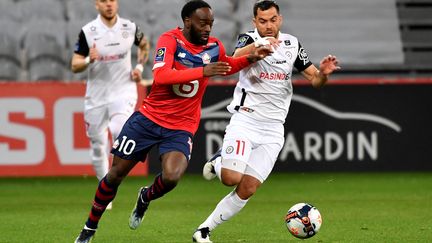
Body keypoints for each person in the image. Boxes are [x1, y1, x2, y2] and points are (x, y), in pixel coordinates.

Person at [74, 0, 272, 242]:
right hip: (148, 119)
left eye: (210, 23)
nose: (208, 28)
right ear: (188, 22)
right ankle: (89, 229)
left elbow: (226, 65)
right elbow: (162, 74)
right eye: (202, 23)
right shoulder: (170, 40)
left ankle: (145, 196)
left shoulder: (214, 46)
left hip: (181, 126)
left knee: (171, 177)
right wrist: (202, 71)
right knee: (115, 174)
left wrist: (251, 57)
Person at [192, 1, 340, 242]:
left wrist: (323, 73)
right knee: (230, 178)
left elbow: (314, 79)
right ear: (255, 22)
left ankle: (204, 230)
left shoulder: (291, 44)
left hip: (273, 130)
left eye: (272, 20)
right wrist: (256, 47)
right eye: (262, 21)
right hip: (246, 121)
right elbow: (232, 59)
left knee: (247, 188)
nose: (268, 26)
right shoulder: (247, 39)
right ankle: (219, 160)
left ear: (279, 19)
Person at [70, 0, 150, 210]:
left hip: (123, 91)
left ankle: (111, 185)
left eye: (112, 0)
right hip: (96, 96)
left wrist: (140, 67)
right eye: (104, 1)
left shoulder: (129, 27)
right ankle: (103, 188)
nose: (109, 5)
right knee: (98, 146)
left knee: (118, 130)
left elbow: (144, 45)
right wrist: (88, 60)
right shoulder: (88, 31)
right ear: (97, 4)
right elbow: (74, 64)